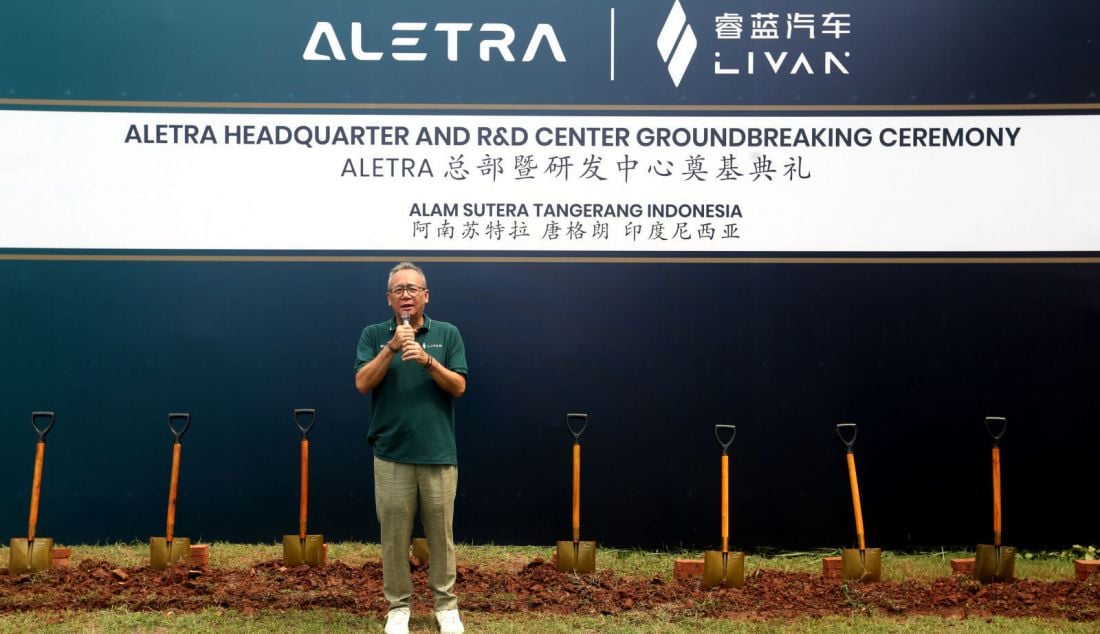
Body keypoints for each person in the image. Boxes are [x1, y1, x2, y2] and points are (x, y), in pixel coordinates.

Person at [354, 262, 468, 634]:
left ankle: (446, 606)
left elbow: (459, 387)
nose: (406, 294)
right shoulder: (374, 335)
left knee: (441, 536)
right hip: (391, 454)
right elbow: (362, 383)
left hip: (437, 454)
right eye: (398, 289)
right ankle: (399, 607)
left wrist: (428, 360)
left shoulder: (447, 333)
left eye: (413, 288)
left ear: (426, 295)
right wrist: (392, 347)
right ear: (389, 298)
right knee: (394, 538)